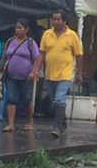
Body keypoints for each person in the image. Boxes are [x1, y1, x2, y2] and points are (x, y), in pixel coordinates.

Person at [30, 10, 83, 138]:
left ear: (65, 21)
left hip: (65, 74)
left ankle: (56, 127)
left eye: (58, 19)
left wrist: (79, 73)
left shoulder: (72, 35)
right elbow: (41, 53)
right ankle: (62, 122)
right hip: (50, 74)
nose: (56, 22)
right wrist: (35, 69)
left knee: (60, 99)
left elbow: (79, 55)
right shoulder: (47, 34)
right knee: (55, 102)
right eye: (54, 19)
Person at [0, 17, 40, 132]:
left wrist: (34, 71)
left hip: (26, 77)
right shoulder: (10, 41)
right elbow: (4, 57)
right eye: (16, 27)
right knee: (11, 98)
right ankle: (11, 124)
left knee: (26, 100)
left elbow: (37, 58)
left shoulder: (30, 43)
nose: (17, 30)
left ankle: (30, 120)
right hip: (11, 76)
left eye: (20, 28)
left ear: (26, 30)